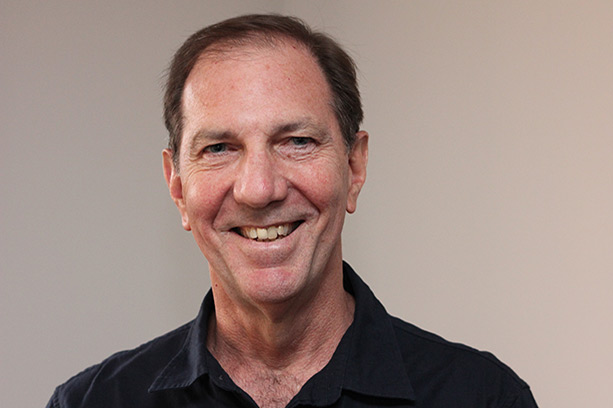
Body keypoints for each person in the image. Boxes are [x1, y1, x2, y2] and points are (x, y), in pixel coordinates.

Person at [46, 14, 538, 408]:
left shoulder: (484, 397)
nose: (259, 189)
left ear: (354, 166)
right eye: (219, 148)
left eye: (297, 141)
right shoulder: (92, 402)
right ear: (177, 186)